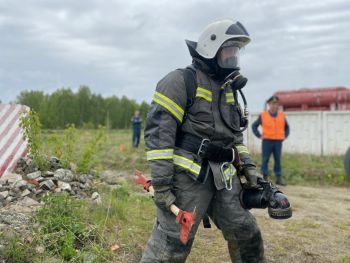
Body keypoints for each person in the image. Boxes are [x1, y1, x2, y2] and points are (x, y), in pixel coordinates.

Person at [141, 19, 265, 262]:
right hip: (186, 180)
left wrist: (249, 168)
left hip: (224, 177)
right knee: (172, 243)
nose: (233, 57)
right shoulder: (178, 82)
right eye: (228, 51)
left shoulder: (228, 89)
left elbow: (235, 137)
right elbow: (159, 137)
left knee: (245, 232)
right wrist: (163, 186)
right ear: (211, 49)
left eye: (236, 52)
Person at [252, 95, 290, 186]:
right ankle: (264, 178)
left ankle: (279, 178)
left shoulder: (282, 115)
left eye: (277, 104)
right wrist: (259, 135)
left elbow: (287, 127)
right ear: (269, 104)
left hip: (278, 141)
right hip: (267, 141)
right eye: (273, 104)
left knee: (278, 160)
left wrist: (285, 135)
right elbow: (254, 126)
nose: (275, 106)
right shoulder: (263, 115)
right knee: (265, 159)